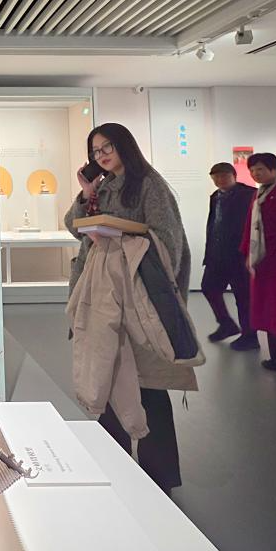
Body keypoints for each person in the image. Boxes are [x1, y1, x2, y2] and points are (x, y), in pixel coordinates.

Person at [65, 123, 197, 495]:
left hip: (137, 297)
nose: (102, 155)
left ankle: (160, 477)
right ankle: (116, 467)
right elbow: (73, 225)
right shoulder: (103, 185)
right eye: (96, 151)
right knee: (107, 381)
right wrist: (87, 193)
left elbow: (169, 242)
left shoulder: (150, 185)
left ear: (126, 145)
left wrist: (120, 239)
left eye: (108, 147)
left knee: (147, 386)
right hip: (101, 295)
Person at [201, 162, 257, 349]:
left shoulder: (249, 195)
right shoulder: (215, 196)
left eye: (224, 175)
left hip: (239, 255)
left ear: (234, 176)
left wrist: (251, 253)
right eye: (215, 176)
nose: (220, 179)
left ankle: (250, 336)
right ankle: (226, 324)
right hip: (217, 255)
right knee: (209, 288)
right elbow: (213, 225)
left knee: (243, 297)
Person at [241, 153, 276, 372]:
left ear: (274, 169)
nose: (255, 173)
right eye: (252, 170)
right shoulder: (259, 193)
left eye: (260, 169)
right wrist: (248, 253)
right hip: (264, 261)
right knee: (269, 308)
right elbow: (250, 226)